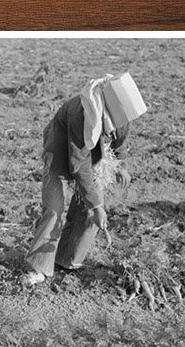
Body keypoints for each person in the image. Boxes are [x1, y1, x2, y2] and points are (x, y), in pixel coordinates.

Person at [22, 75, 144, 287]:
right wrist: (97, 205)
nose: (123, 124)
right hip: (59, 152)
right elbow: (78, 165)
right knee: (54, 210)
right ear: (108, 107)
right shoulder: (83, 111)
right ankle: (38, 268)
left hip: (91, 155)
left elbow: (119, 141)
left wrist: (122, 165)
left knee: (87, 212)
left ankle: (67, 260)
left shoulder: (122, 115)